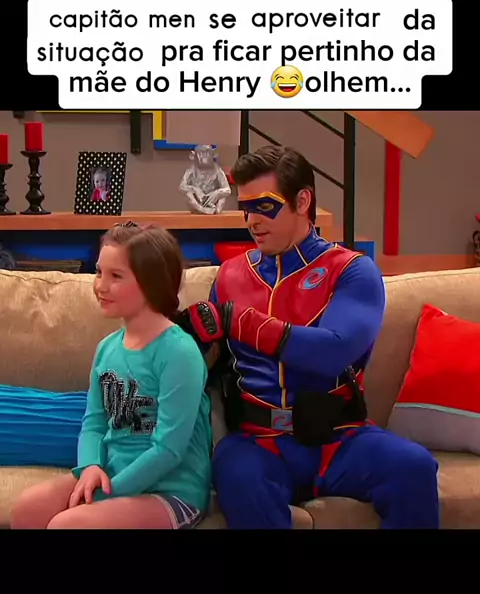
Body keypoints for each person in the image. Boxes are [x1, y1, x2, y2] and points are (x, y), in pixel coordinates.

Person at [179, 145, 439, 529]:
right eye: (246, 208)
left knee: (414, 468)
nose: (252, 220)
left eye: (265, 206)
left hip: (340, 439)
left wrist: (241, 322)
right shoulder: (230, 275)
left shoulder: (351, 270)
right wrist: (188, 338)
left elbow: (333, 351)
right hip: (258, 441)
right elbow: (208, 367)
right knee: (236, 474)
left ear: (302, 201)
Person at [11, 222, 212, 529]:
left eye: (116, 276)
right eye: (99, 272)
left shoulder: (179, 352)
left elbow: (168, 450)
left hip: (171, 491)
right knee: (28, 510)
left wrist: (109, 493)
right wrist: (90, 467)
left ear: (152, 282)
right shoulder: (107, 348)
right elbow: (93, 423)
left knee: (68, 524)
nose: (100, 286)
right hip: (112, 474)